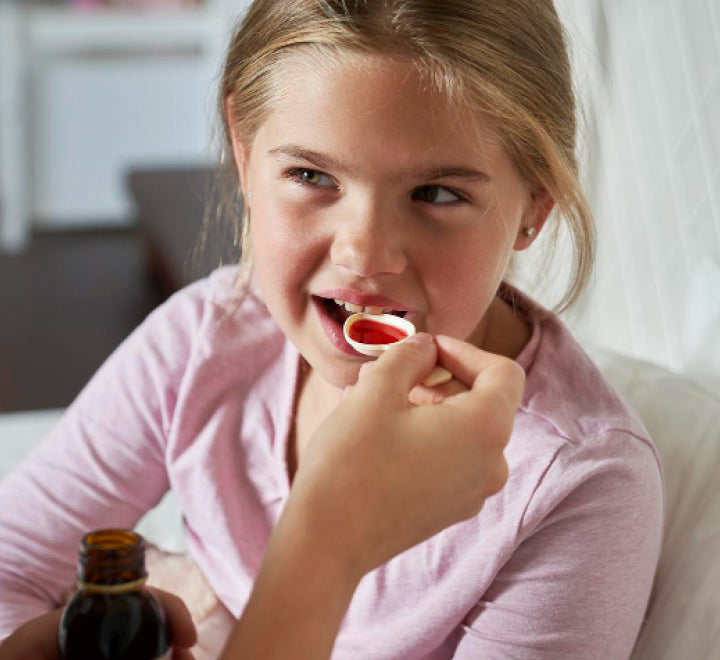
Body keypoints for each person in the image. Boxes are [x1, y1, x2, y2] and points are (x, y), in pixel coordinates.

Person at [0, 1, 664, 658]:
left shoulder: (579, 485)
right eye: (311, 175)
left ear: (535, 203)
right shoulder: (204, 341)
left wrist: (331, 533)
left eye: (437, 194)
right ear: (245, 157)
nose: (364, 255)